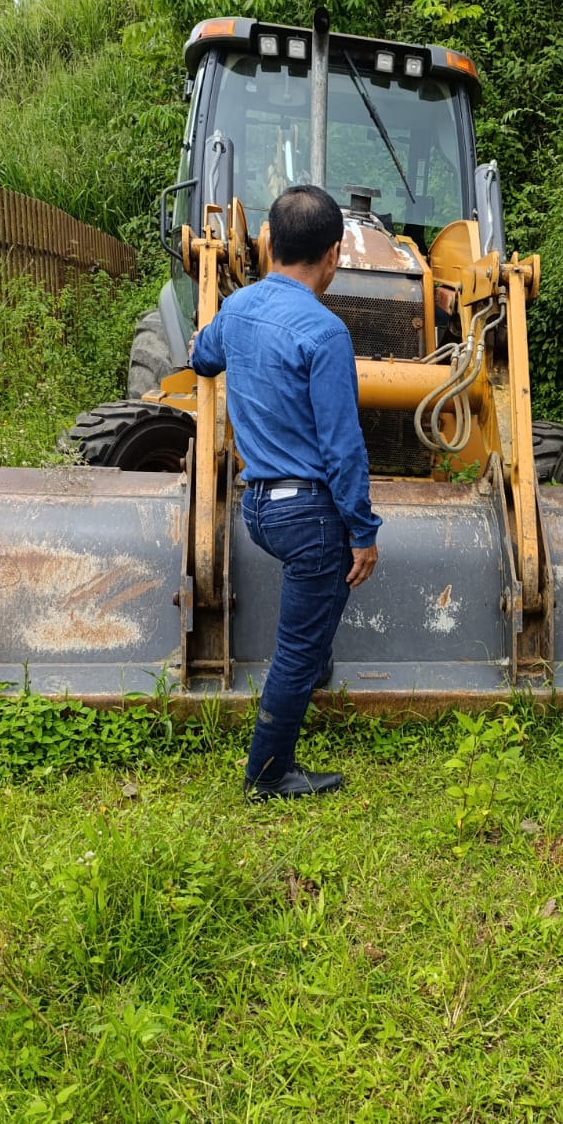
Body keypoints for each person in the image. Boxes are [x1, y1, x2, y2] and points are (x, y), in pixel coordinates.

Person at [191, 184, 382, 801]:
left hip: (259, 510)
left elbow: (202, 358)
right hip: (310, 517)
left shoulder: (237, 309)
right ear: (333, 254)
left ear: (268, 243)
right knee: (296, 650)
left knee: (311, 624)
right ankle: (268, 773)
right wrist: (364, 531)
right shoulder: (325, 333)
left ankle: (310, 668)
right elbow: (344, 448)